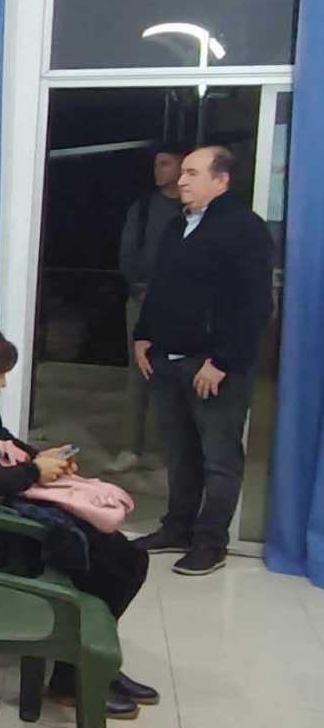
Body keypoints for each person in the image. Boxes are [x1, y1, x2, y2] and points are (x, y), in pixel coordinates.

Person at [0, 323, 156, 717]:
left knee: (123, 556)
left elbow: (1, 442)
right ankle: (76, 675)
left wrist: (43, 458)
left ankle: (90, 666)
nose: (3, 384)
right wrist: (34, 472)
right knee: (112, 562)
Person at [132, 145, 274, 576]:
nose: (182, 180)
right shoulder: (179, 225)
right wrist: (143, 334)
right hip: (168, 358)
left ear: (221, 180)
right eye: (183, 173)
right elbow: (160, 286)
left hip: (212, 365)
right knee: (180, 454)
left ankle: (211, 543)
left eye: (192, 173)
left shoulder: (244, 229)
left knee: (219, 458)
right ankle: (176, 528)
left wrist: (222, 361)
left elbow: (254, 306)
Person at [110, 146, 187, 473]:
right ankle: (131, 447)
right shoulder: (142, 208)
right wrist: (139, 287)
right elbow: (127, 254)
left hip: (184, 304)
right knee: (138, 372)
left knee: (181, 372)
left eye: (165, 164)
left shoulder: (193, 210)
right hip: (143, 300)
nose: (158, 170)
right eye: (156, 164)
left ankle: (177, 451)